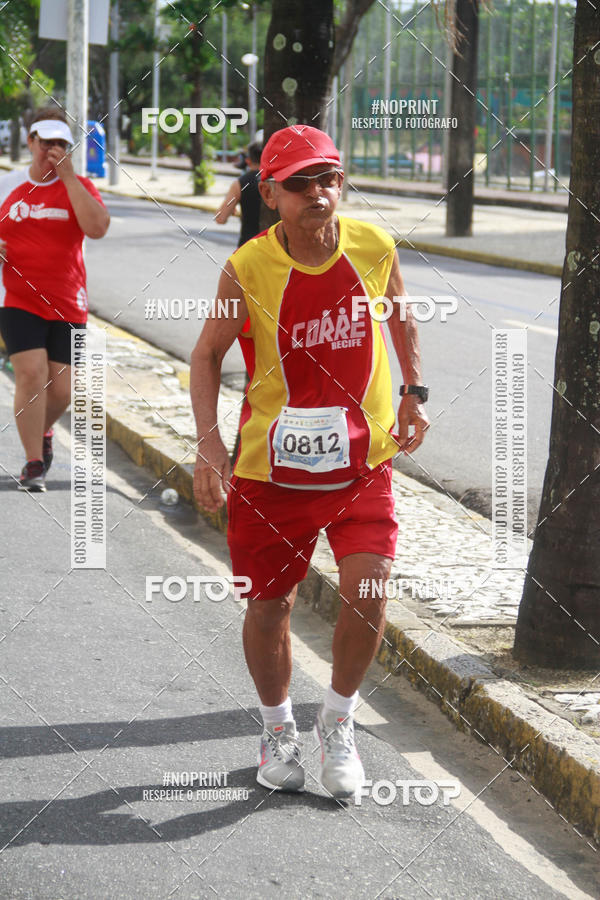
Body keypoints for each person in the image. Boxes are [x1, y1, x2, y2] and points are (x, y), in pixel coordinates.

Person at [191, 124, 429, 800]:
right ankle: (277, 731)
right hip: (271, 473)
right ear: (270, 194)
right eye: (299, 183)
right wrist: (209, 445)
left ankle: (339, 720)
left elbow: (400, 316)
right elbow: (206, 355)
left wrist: (413, 392)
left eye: (328, 178)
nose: (318, 193)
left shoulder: (373, 246)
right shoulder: (248, 267)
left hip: (362, 462)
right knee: (270, 607)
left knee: (370, 587)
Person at [0, 107, 110, 491]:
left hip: (67, 301)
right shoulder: (8, 185)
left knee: (63, 391)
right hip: (17, 299)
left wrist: (68, 178)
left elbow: (97, 228)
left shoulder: (79, 186)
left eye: (61, 143)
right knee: (31, 373)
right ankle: (33, 464)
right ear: (31, 142)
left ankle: (43, 432)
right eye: (46, 142)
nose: (52, 150)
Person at [214, 141, 262, 247]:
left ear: (248, 161)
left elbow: (220, 218)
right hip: (279, 249)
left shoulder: (241, 183)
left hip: (249, 246)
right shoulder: (279, 180)